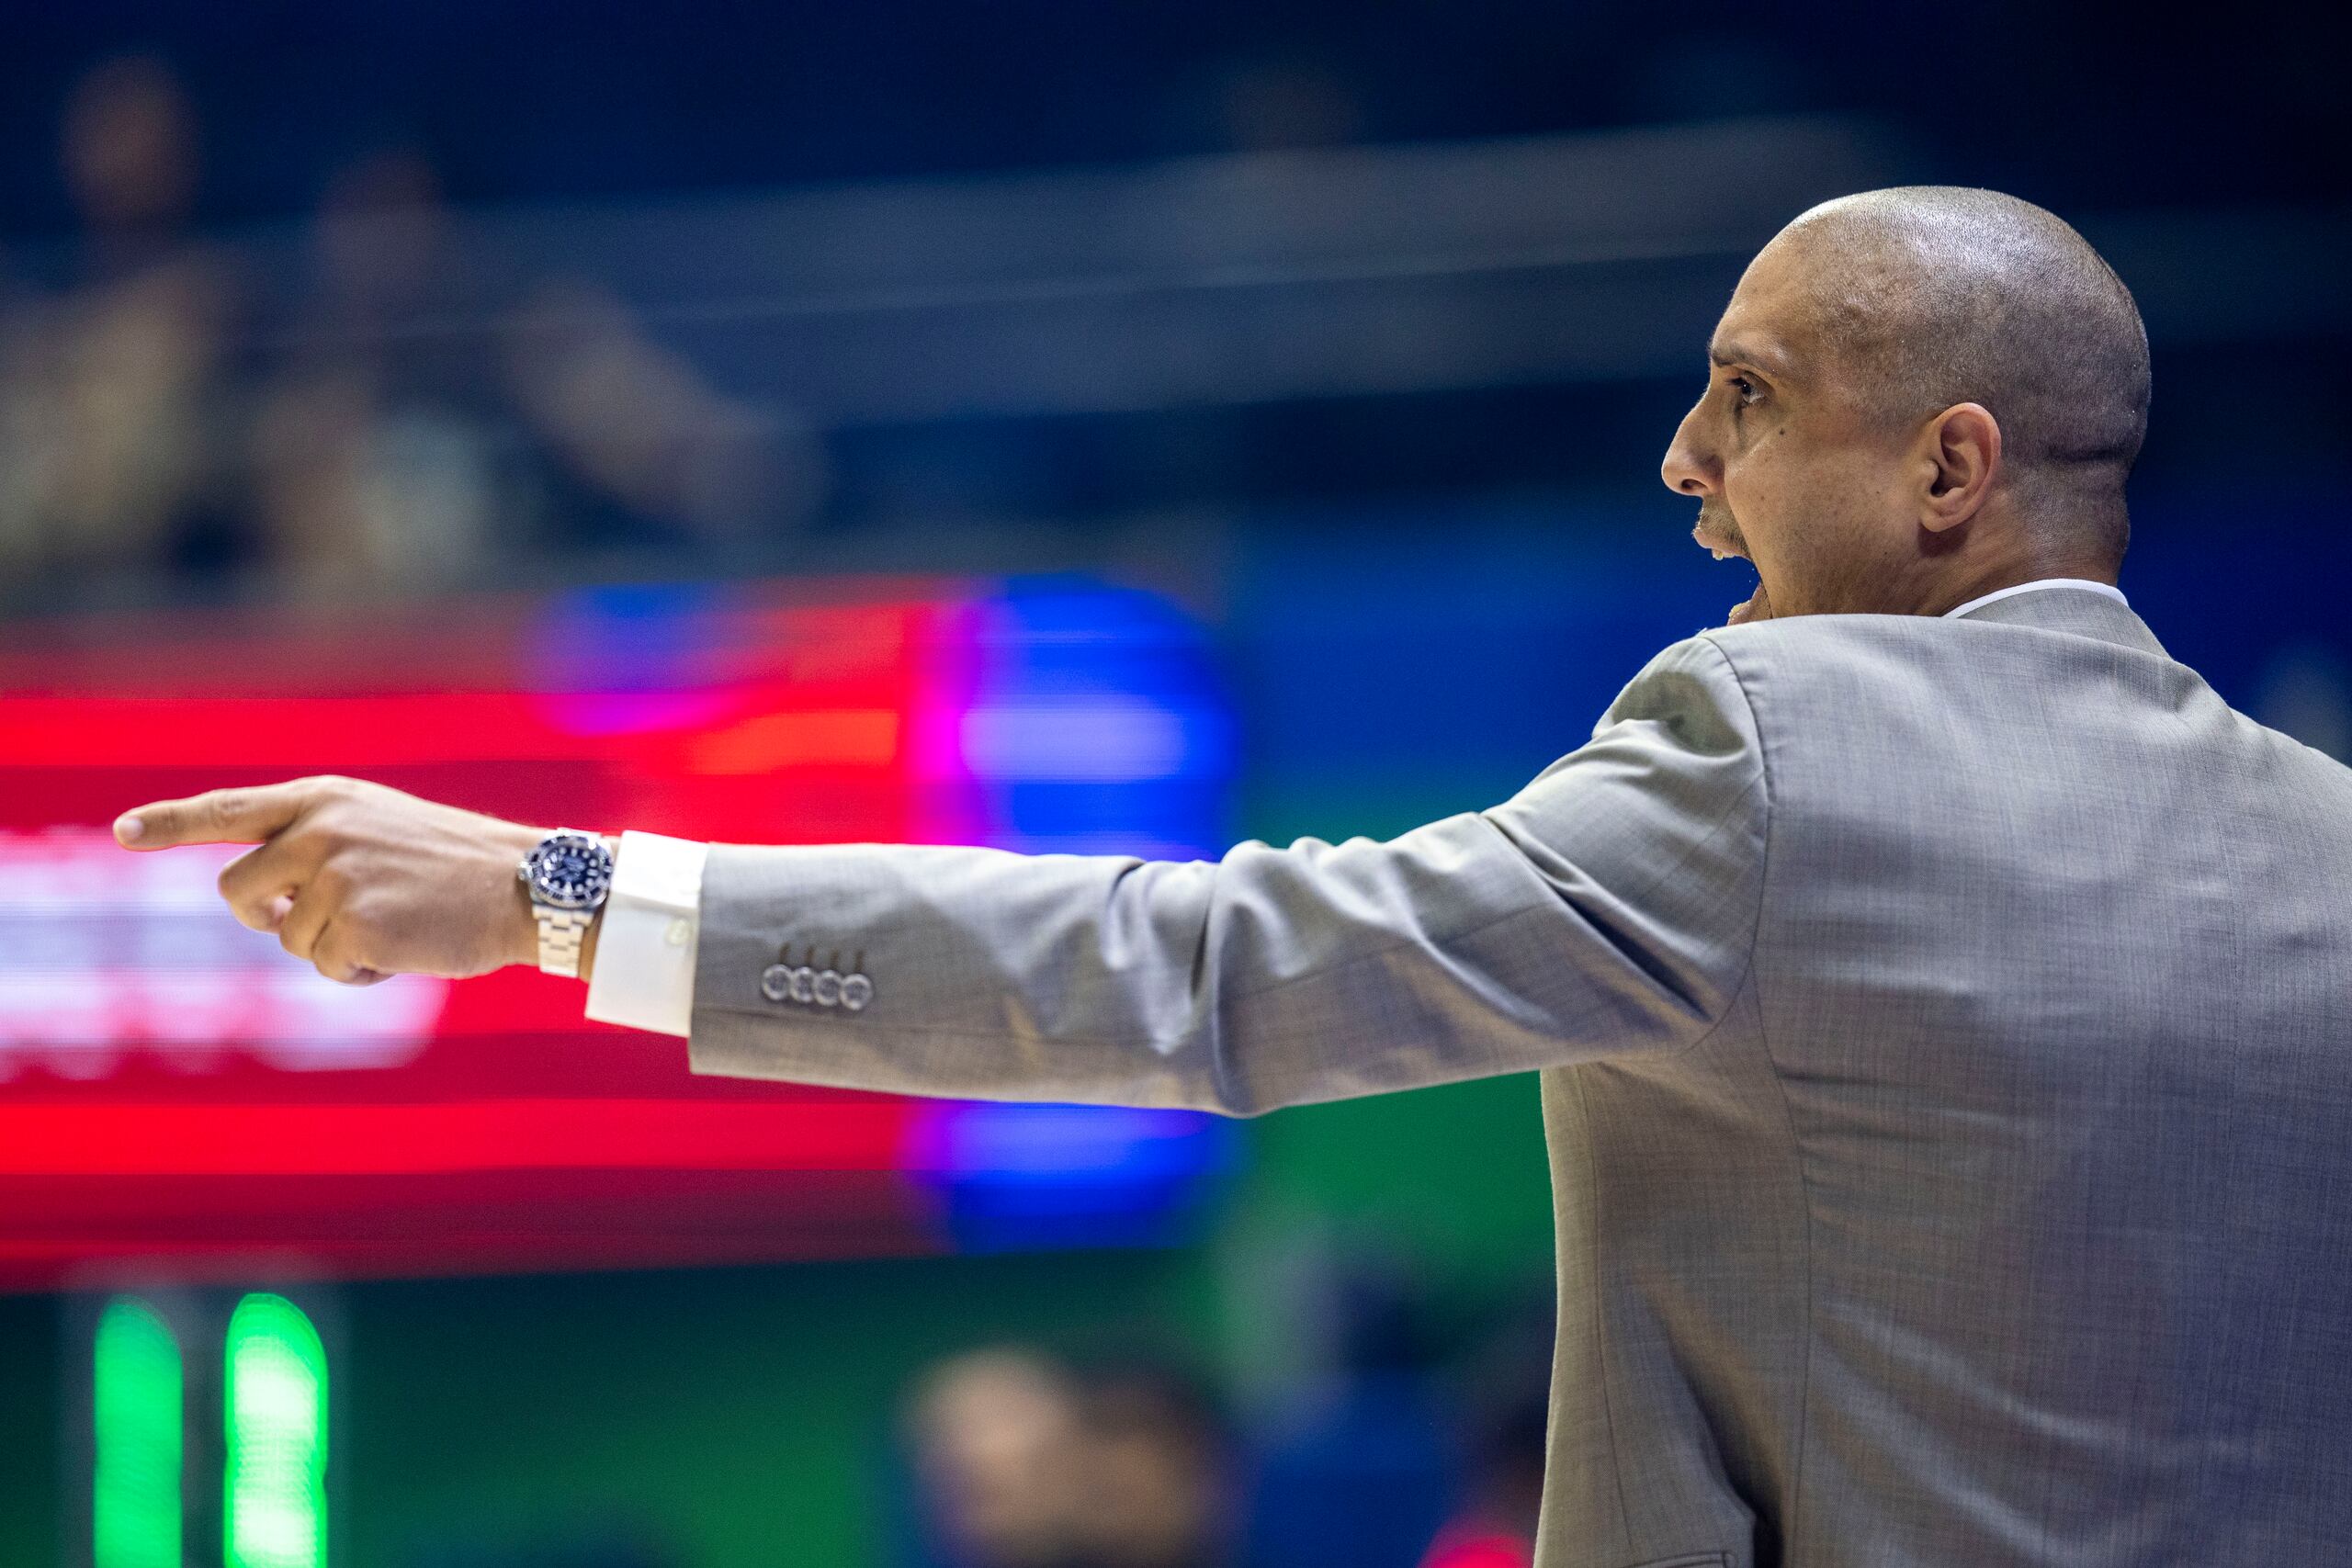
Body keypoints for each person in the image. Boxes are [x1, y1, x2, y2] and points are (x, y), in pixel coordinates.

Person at [115, 187, 2352, 1567]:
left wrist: (555, 891)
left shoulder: (1782, 746)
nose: (1683, 461)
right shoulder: (2316, 840)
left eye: (1748, 399)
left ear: (1948, 467)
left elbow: (1205, 972)